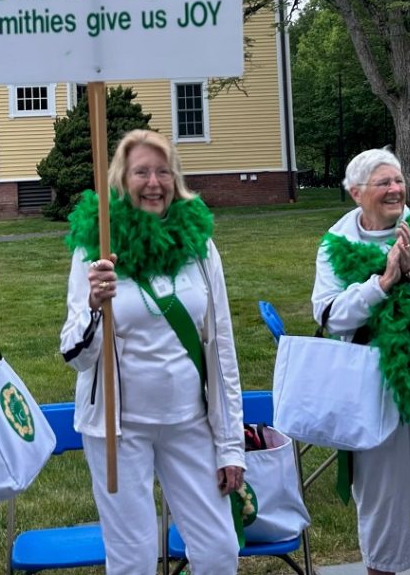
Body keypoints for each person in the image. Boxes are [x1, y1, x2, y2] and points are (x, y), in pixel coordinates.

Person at [60, 129, 245, 575]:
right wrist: (93, 307)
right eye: (141, 171)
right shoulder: (96, 248)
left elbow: (222, 348)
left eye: (163, 171)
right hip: (117, 430)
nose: (153, 183)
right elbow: (76, 353)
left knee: (220, 551)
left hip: (190, 423)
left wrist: (231, 445)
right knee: (134, 560)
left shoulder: (200, 248)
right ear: (123, 180)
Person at [311, 148, 410, 575]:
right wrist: (381, 283)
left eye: (398, 181)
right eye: (384, 183)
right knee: (381, 515)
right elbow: (329, 315)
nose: (396, 189)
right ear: (355, 192)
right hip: (371, 398)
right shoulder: (335, 245)